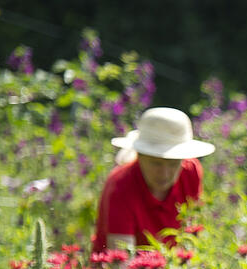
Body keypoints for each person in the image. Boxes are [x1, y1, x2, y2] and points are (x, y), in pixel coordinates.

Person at [92, 107, 215, 252]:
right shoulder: (120, 186)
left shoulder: (191, 172)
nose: (164, 173)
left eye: (173, 164)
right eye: (156, 163)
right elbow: (120, 260)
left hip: (174, 267)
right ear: (139, 156)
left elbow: (191, 235)